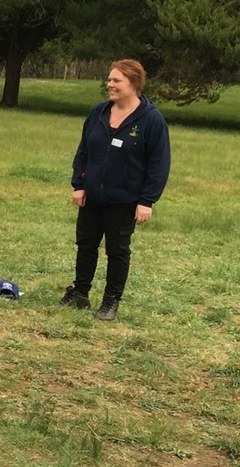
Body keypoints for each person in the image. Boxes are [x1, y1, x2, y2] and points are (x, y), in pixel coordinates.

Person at [61, 59, 170, 321]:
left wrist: (147, 201)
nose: (109, 84)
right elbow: (84, 150)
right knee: (86, 244)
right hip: (92, 197)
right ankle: (80, 293)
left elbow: (159, 164)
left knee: (117, 251)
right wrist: (79, 184)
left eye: (116, 80)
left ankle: (111, 301)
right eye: (109, 80)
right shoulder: (98, 112)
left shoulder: (151, 120)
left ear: (133, 83)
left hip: (125, 201)